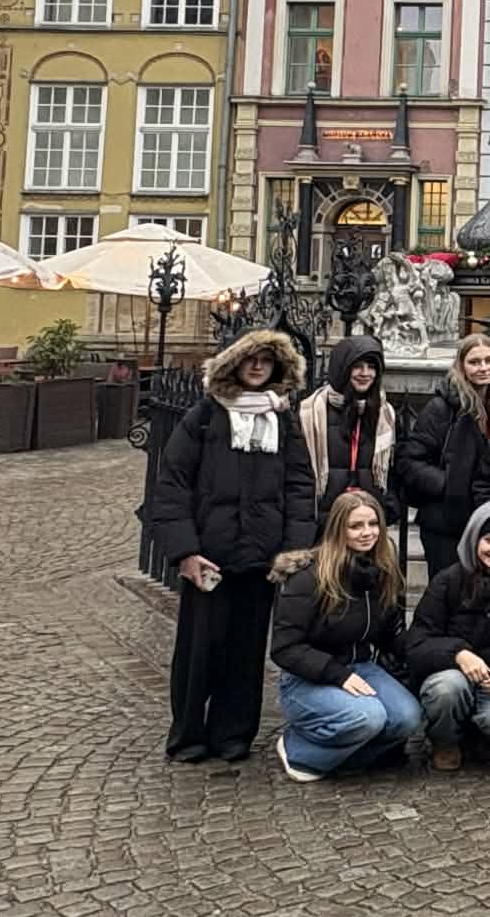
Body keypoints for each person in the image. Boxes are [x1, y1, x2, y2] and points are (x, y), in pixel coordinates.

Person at [152, 329, 315, 763]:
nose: (258, 366)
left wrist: (294, 549)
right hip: (211, 555)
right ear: (234, 363)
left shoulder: (282, 419)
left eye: (267, 360)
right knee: (199, 650)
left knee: (246, 651)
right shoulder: (205, 416)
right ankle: (189, 732)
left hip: (261, 559)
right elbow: (172, 485)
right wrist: (185, 550)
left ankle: (234, 732)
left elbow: (299, 486)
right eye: (250, 358)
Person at [269, 490, 420, 781]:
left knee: (408, 717)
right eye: (356, 526)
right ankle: (298, 749)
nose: (367, 533)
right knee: (368, 717)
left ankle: (347, 759)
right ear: (338, 528)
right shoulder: (309, 575)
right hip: (309, 677)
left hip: (361, 667)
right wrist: (337, 674)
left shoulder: (381, 570)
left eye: (373, 524)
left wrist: (429, 651)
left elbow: (390, 634)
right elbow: (285, 648)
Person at [406, 499, 490, 771]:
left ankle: (487, 739)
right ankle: (445, 741)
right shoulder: (448, 580)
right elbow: (418, 641)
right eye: (489, 540)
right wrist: (458, 653)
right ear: (474, 539)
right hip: (453, 672)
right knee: (446, 690)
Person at [398, 334, 490, 577]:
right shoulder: (441, 408)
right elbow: (410, 462)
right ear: (461, 366)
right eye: (474, 362)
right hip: (446, 523)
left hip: (489, 520)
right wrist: (450, 485)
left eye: (489, 360)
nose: (483, 368)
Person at [297, 332, 397, 526]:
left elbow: (394, 469)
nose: (365, 373)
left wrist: (389, 508)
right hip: (325, 520)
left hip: (369, 520)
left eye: (372, 367)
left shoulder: (385, 414)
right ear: (342, 368)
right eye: (357, 366)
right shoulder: (311, 411)